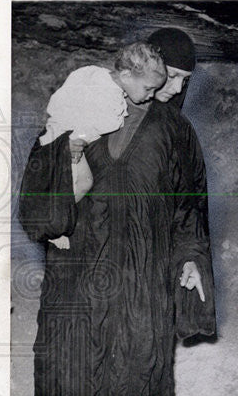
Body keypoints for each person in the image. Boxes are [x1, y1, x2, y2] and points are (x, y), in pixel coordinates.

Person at [18, 27, 215, 396]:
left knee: (137, 338)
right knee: (73, 337)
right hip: (80, 253)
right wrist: (64, 157)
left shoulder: (177, 131)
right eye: (172, 76)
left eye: (184, 81)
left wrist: (191, 258)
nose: (175, 88)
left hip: (142, 260)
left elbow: (190, 204)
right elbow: (43, 163)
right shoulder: (86, 106)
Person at [40, 43, 168, 245]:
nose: (150, 95)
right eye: (148, 88)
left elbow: (62, 99)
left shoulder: (94, 74)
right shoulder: (108, 98)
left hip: (59, 131)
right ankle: (53, 221)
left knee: (71, 183)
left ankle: (54, 217)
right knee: (82, 182)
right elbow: (86, 120)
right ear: (126, 76)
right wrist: (75, 140)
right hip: (69, 140)